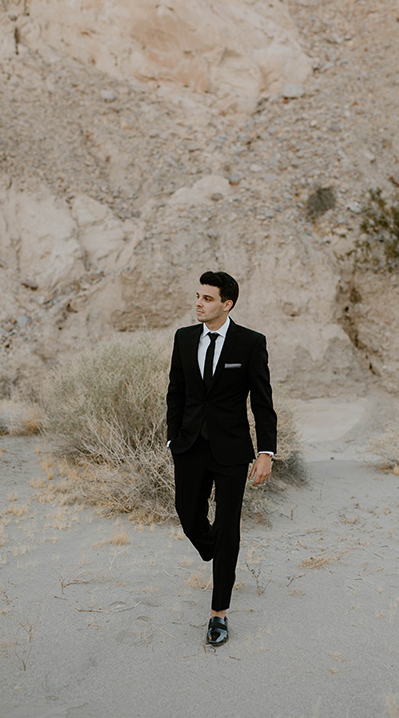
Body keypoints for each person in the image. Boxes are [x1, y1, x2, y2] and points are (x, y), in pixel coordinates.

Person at [166, 270, 277, 646]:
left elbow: (262, 401)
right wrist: (172, 439)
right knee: (187, 514)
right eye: (197, 296)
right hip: (190, 447)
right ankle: (220, 551)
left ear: (226, 304)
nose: (199, 303)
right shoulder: (183, 338)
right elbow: (176, 393)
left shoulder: (250, 343)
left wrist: (265, 451)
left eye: (207, 298)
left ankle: (218, 614)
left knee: (228, 527)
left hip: (231, 450)